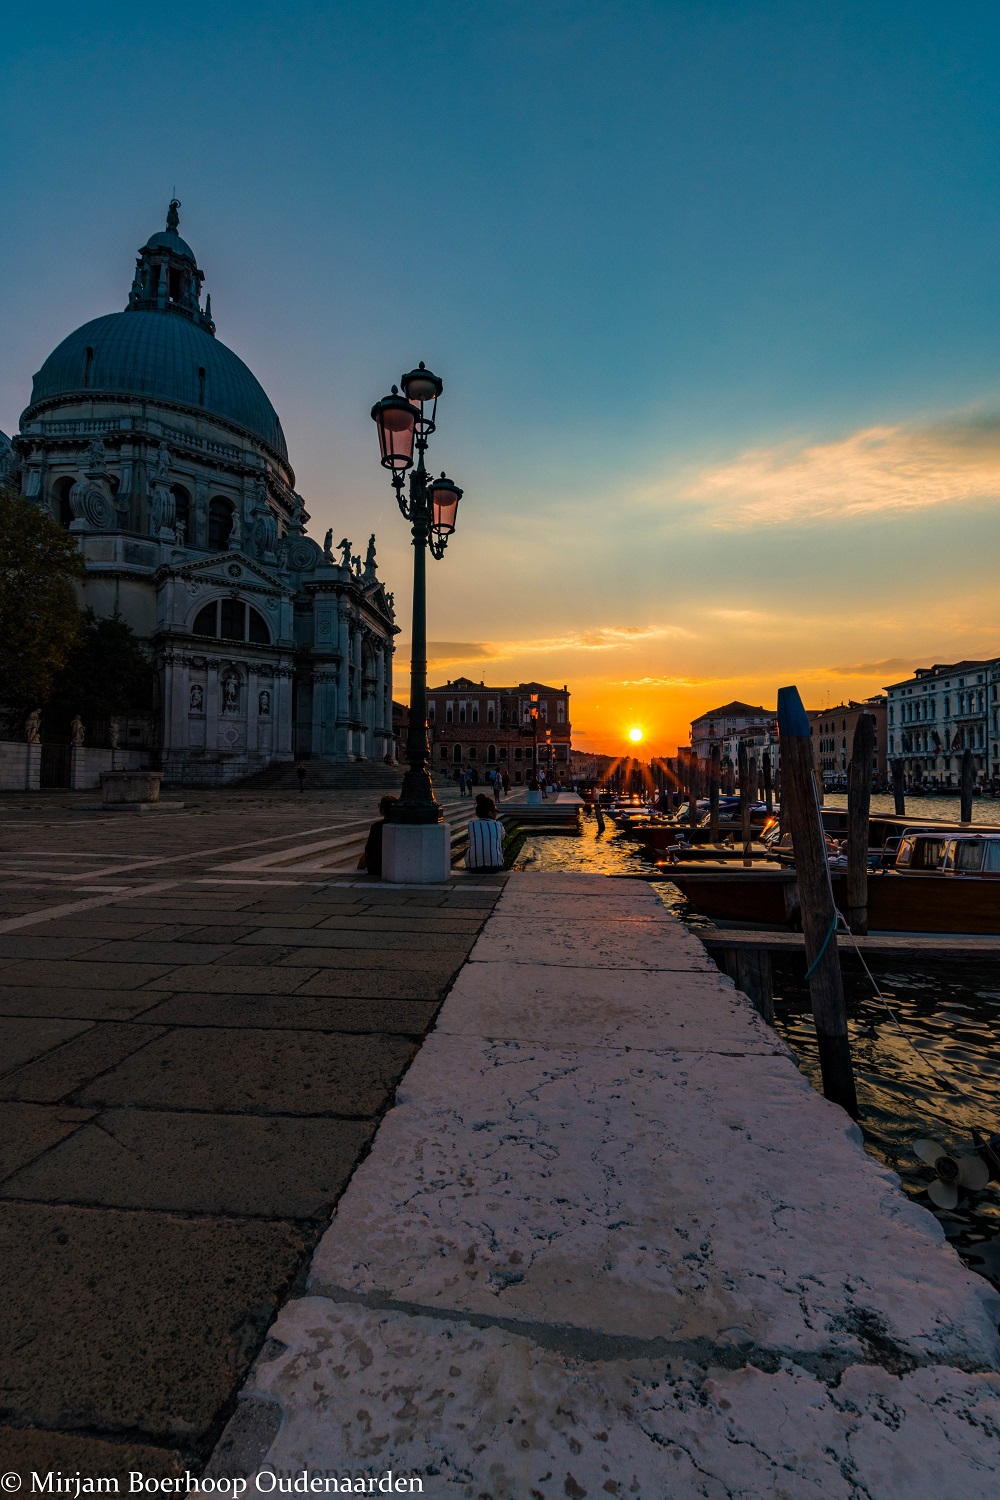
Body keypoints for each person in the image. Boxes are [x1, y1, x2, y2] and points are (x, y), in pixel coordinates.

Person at [358, 795, 398, 878]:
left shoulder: (376, 826)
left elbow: (369, 849)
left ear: (382, 811)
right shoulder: (399, 826)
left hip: (377, 867)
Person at [466, 793, 505, 872]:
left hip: (474, 867)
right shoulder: (498, 824)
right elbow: (502, 837)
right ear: (490, 813)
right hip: (495, 867)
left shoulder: (471, 824)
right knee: (501, 844)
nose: (496, 813)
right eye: (495, 811)